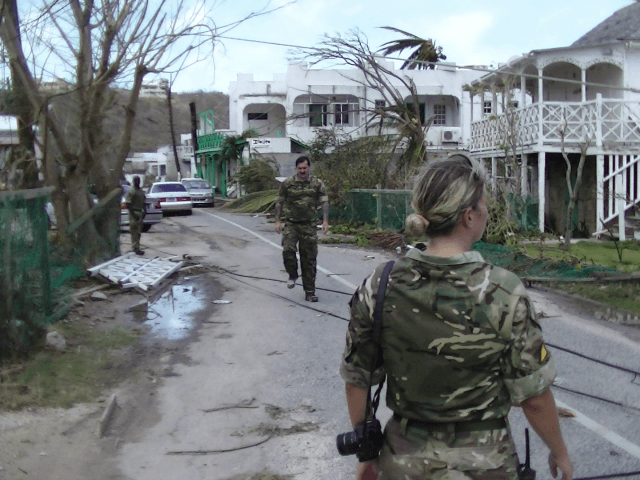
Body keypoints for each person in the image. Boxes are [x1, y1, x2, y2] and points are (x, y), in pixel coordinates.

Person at [340, 154, 572, 480]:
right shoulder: (504, 291)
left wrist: (366, 452)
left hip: (404, 461)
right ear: (469, 216)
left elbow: (357, 379)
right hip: (486, 463)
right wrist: (559, 452)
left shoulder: (380, 284)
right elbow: (533, 398)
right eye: (484, 204)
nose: (487, 211)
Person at [275, 156, 329, 302]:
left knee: (309, 259)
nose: (302, 171)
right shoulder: (288, 183)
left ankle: (310, 292)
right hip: (292, 224)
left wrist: (325, 220)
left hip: (309, 225)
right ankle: (292, 274)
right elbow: (279, 202)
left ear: (308, 168)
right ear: (296, 169)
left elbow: (324, 201)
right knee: (288, 250)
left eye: (305, 168)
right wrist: (278, 221)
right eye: (300, 168)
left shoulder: (317, 184)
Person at [125, 176, 146, 255]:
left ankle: (138, 247)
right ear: (133, 181)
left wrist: (144, 213)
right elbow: (128, 204)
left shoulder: (140, 191)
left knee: (139, 232)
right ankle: (135, 248)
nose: (137, 182)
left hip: (140, 212)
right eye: (136, 180)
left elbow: (144, 202)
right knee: (134, 231)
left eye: (138, 180)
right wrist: (134, 215)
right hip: (133, 212)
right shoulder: (132, 191)